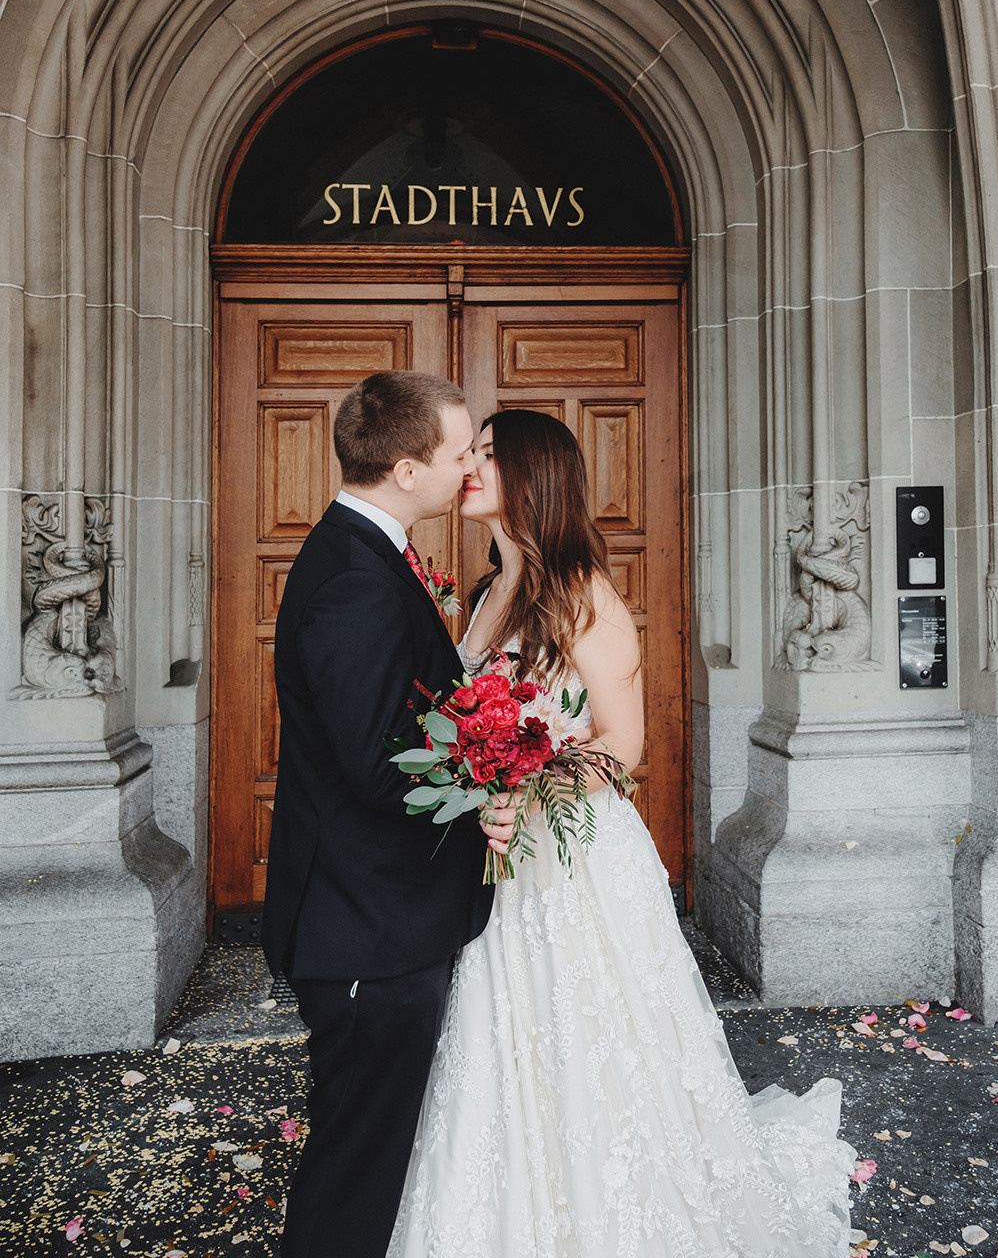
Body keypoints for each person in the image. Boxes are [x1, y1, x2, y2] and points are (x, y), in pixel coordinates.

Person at [387, 409, 856, 1258]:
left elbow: (623, 743)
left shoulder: (584, 595)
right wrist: (475, 779)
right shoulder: (487, 595)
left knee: (592, 1038)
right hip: (499, 856)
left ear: (536, 476)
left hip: (573, 860)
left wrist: (526, 790)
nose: (470, 466)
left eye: (489, 454)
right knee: (507, 1036)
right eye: (472, 451)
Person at [262, 371, 517, 1258]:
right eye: (459, 453)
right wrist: (494, 773)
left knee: (367, 1153)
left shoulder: (367, 553)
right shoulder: (355, 580)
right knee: (355, 1170)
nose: (469, 468)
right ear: (407, 471)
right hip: (366, 927)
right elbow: (380, 765)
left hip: (377, 915)